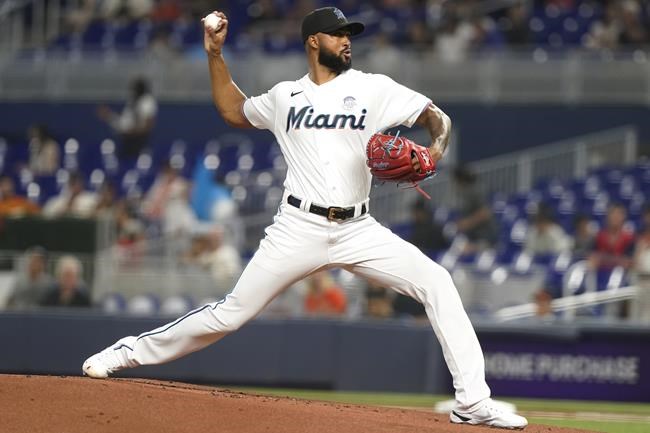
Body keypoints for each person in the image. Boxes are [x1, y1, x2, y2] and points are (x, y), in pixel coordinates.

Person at [82, 7, 527, 429]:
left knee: (437, 283)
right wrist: (215, 55)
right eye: (339, 34)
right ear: (314, 42)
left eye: (350, 35)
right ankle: (127, 352)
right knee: (230, 315)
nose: (347, 41)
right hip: (298, 227)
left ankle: (471, 403)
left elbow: (436, 118)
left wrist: (433, 152)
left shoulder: (374, 88)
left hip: (358, 228)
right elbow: (232, 110)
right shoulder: (284, 97)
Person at [97, 76, 158, 161]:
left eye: (135, 88)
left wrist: (132, 131)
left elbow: (147, 125)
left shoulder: (147, 101)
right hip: (126, 139)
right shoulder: (131, 101)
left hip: (139, 141)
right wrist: (109, 116)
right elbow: (124, 123)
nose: (132, 90)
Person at [452, 165, 499, 254]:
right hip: (473, 237)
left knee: (462, 253)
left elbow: (485, 213)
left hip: (486, 238)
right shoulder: (465, 192)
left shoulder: (475, 190)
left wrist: (466, 223)